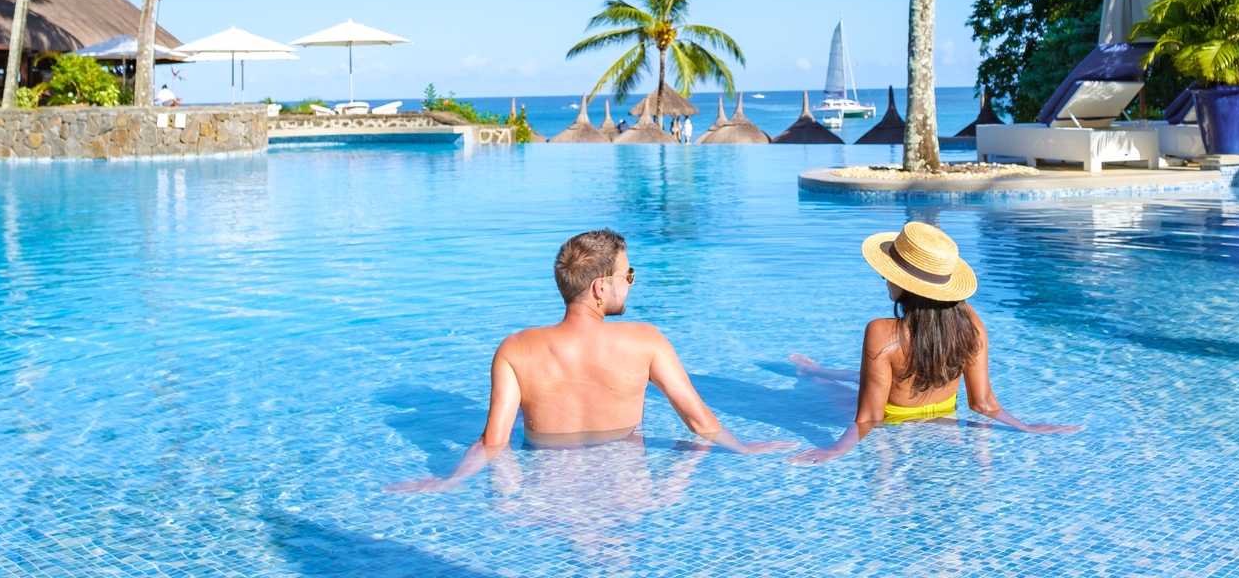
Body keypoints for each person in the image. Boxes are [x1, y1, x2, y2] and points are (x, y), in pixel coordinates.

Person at [388, 229, 785, 492]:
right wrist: (746, 450)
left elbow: (494, 443)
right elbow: (701, 425)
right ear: (600, 287)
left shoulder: (514, 349)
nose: (631, 283)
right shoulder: (646, 341)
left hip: (545, 497)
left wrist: (449, 481)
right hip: (627, 491)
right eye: (627, 275)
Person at [787, 221, 1080, 464]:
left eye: (888, 273)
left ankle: (814, 374)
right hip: (945, 419)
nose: (883, 278)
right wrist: (1026, 427)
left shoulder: (881, 332)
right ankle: (816, 371)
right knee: (863, 377)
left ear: (903, 282)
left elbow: (870, 417)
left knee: (840, 386)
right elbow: (983, 403)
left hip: (895, 421)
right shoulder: (971, 325)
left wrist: (835, 449)